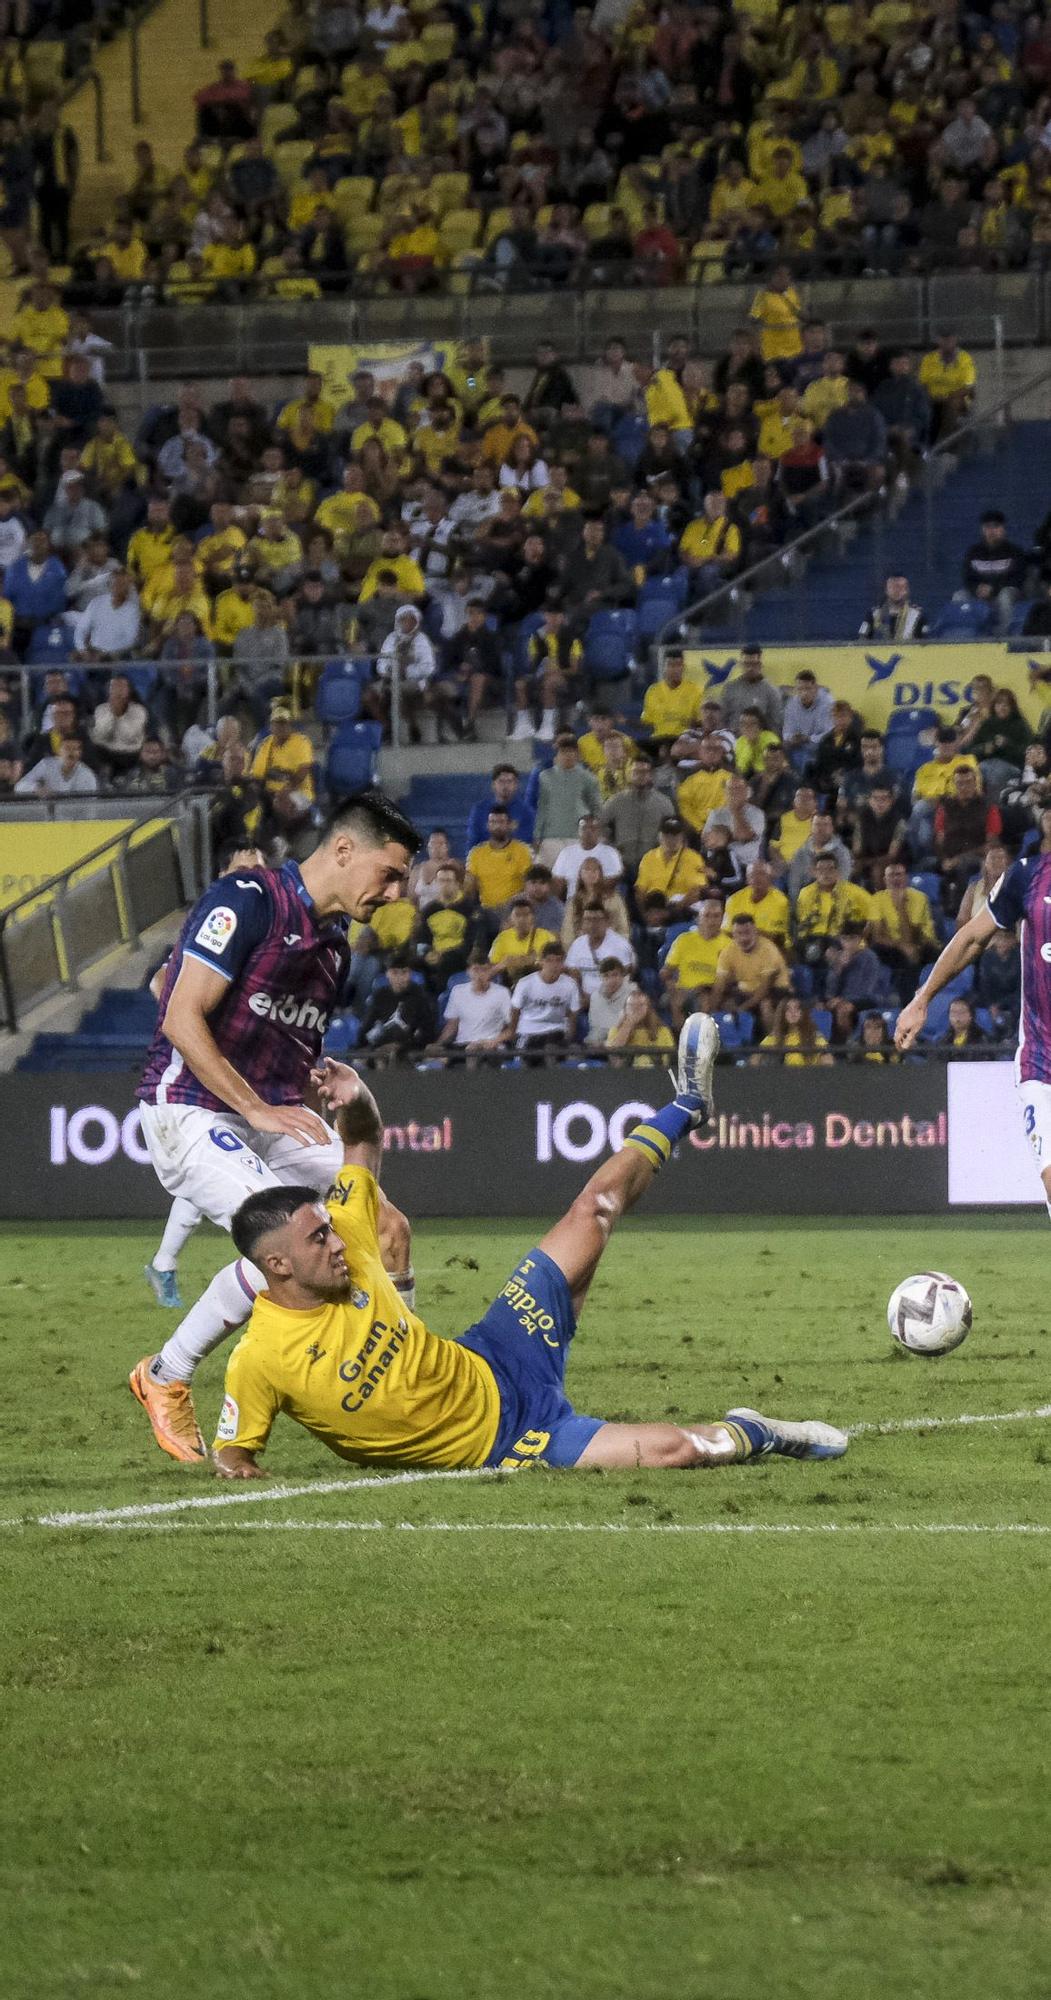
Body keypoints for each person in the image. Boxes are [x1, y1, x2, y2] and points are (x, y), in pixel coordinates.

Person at [212, 1031, 847, 1480]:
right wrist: (238, 1467)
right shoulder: (260, 1359)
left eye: (328, 1227)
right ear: (279, 1267)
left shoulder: (346, 1230)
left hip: (494, 1351)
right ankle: (761, 1432)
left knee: (593, 1208)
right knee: (675, 1453)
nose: (336, 1241)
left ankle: (687, 1104)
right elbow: (233, 1449)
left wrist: (358, 1093)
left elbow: (363, 1139)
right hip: (509, 1437)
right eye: (317, 1239)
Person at [129, 790, 421, 1463]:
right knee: (291, 1248)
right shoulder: (248, 899)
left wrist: (323, 1080)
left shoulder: (335, 949)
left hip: (264, 1115)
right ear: (344, 850)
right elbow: (178, 1015)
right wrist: (258, 1109)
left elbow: (286, 1046)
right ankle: (166, 1376)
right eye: (390, 873)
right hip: (189, 1109)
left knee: (386, 1227)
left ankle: (406, 1384)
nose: (394, 892)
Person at [708, 912, 791, 1032]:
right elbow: (719, 986)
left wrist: (741, 1009)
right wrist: (711, 1013)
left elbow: (764, 990)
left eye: (747, 933)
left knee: (765, 1006)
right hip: (747, 991)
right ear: (733, 935)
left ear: (755, 932)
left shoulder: (769, 950)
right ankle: (730, 1045)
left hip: (775, 990)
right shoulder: (728, 952)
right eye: (739, 933)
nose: (744, 938)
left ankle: (774, 1044)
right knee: (727, 1004)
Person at [660, 894, 726, 1027]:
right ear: (698, 918)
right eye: (707, 915)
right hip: (683, 989)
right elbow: (665, 972)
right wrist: (672, 988)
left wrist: (706, 988)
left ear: (722, 919)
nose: (711, 921)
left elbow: (728, 979)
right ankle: (680, 1041)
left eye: (716, 916)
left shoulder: (728, 945)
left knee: (705, 1001)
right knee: (675, 1001)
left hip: (709, 990)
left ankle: (698, 1041)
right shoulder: (684, 940)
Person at [433, 951, 513, 1055]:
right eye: (476, 970)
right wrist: (438, 1044)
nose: (480, 975)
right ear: (468, 971)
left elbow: (511, 1028)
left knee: (473, 1051)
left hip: (491, 1046)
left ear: (490, 972)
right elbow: (452, 1025)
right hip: (461, 1045)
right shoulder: (458, 991)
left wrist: (495, 1041)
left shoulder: (502, 993)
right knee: (435, 1058)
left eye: (484, 970)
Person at [509, 940, 580, 1056]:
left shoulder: (570, 985)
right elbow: (515, 1011)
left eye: (558, 960)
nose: (554, 965)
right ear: (541, 962)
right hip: (530, 1033)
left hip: (557, 1033)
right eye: (549, 960)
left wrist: (569, 1038)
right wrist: (513, 1035)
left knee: (574, 1051)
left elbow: (573, 1015)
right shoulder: (525, 984)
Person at [564, 902, 635, 1000]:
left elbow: (625, 977)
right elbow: (572, 975)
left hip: (612, 1000)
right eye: (588, 920)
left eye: (597, 920)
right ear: (582, 923)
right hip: (583, 1001)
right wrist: (581, 997)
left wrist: (600, 1000)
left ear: (607, 921)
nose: (593, 924)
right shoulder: (577, 944)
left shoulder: (620, 944)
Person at [756, 996, 832, 1067]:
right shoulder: (775, 1036)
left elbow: (827, 1057)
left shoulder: (814, 1035)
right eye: (788, 1009)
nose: (793, 1012)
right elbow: (756, 1057)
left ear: (802, 1012)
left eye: (797, 1008)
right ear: (783, 1013)